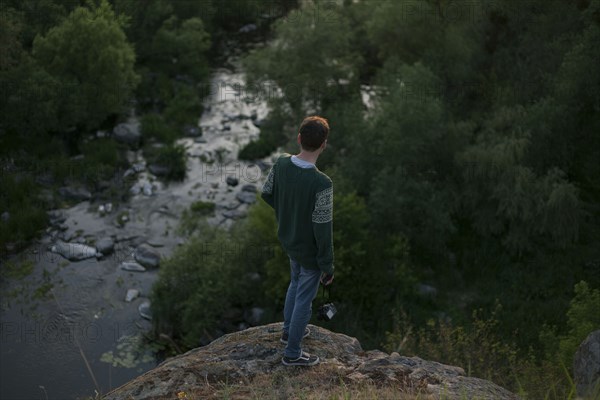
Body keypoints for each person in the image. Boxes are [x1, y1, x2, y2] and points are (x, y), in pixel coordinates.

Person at [260, 115, 334, 367]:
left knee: (294, 283)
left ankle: (288, 331)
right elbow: (323, 227)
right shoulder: (322, 183)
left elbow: (266, 193)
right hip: (310, 251)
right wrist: (327, 265)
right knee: (304, 297)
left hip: (289, 241)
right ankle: (292, 352)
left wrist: (287, 216)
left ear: (299, 138)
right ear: (324, 144)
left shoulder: (281, 163)